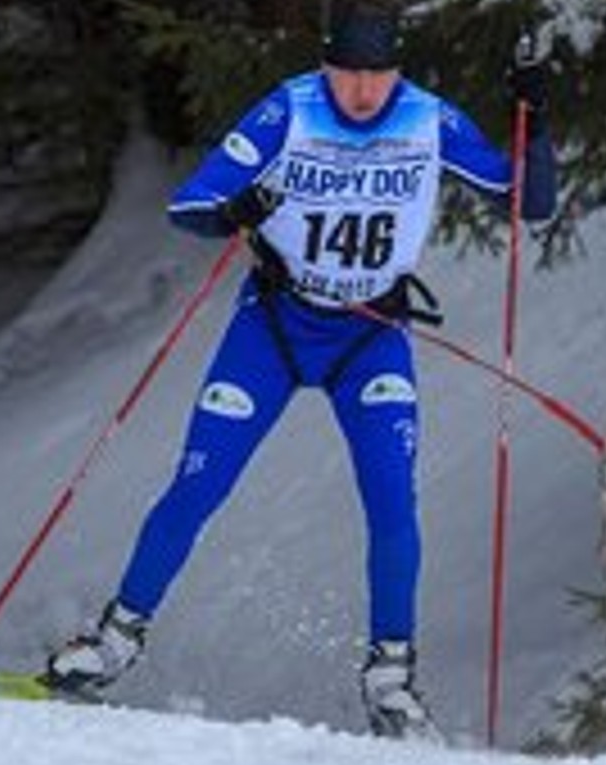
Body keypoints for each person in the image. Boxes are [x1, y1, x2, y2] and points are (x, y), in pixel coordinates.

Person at [43, 0, 556, 740]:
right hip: (274, 330)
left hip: (370, 338)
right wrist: (238, 207)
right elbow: (192, 205)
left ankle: (391, 676)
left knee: (391, 499)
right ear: (326, 66)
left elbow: (528, 203)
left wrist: (535, 121)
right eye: (349, 74)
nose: (362, 92)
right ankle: (114, 639)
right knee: (198, 482)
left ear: (397, 72)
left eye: (377, 75)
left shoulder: (425, 119)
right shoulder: (291, 110)